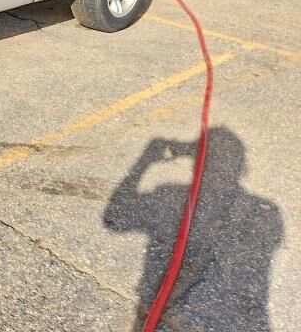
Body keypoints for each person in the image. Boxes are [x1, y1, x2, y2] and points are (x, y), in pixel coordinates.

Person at [104, 127, 282, 331]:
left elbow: (116, 216)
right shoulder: (266, 211)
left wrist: (146, 159)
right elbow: (115, 217)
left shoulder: (169, 194)